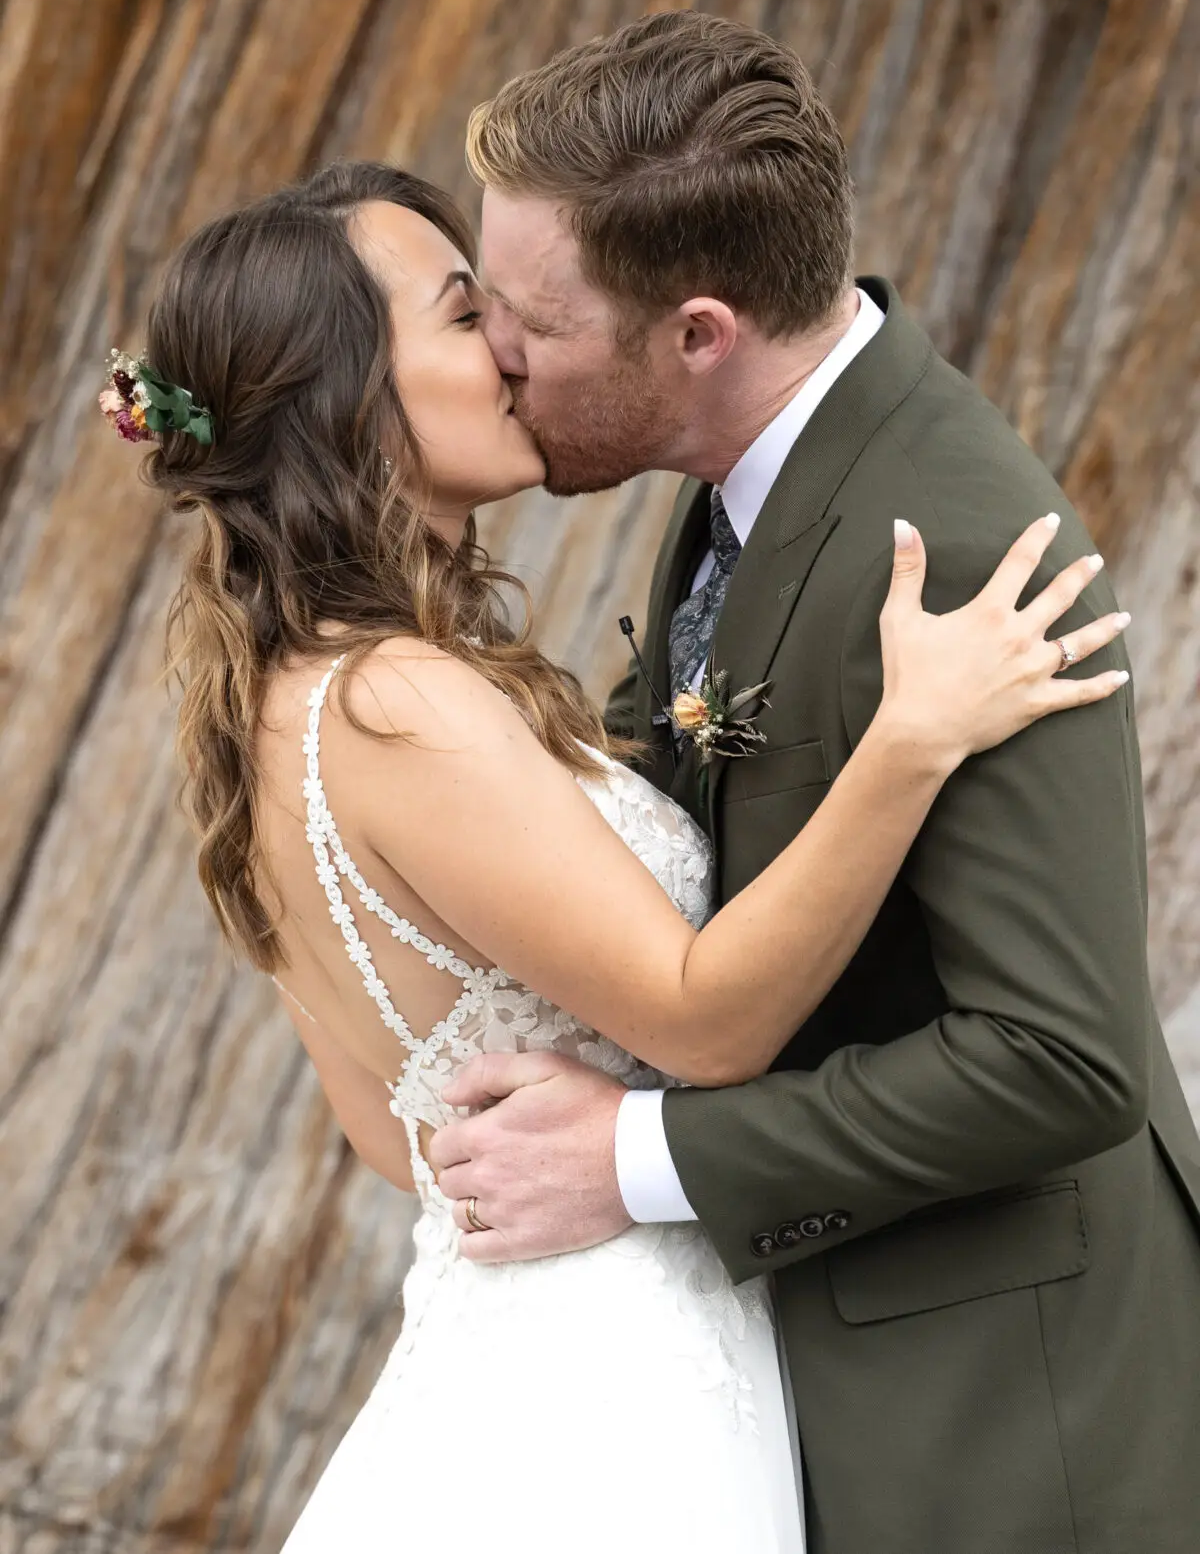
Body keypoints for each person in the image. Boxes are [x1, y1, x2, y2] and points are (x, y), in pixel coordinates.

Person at [101, 157, 1127, 1554]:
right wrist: (911, 741)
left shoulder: (285, 701)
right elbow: (704, 1021)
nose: (513, 352)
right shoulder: (399, 702)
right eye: (467, 317)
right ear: (349, 397)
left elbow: (395, 1128)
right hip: (611, 1385)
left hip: (519, 1337)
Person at [425, 12, 1200, 1554]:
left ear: (697, 331)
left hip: (1006, 1411)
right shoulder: (750, 468)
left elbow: (1061, 1058)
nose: (496, 358)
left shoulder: (955, 550)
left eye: (530, 323)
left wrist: (636, 1161)